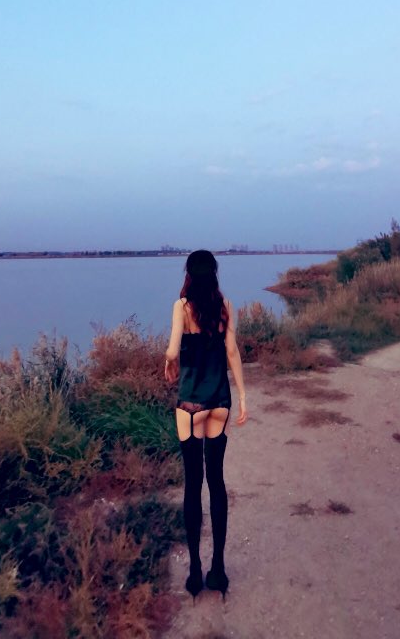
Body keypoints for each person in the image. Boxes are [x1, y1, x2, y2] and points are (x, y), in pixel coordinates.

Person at [165, 249, 248, 600]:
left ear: (188, 274)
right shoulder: (225, 306)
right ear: (213, 273)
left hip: (189, 405)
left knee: (192, 485)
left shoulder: (182, 307)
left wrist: (169, 363)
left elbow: (173, 350)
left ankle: (195, 571)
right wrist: (242, 396)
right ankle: (219, 570)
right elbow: (232, 352)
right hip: (219, 403)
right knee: (216, 482)